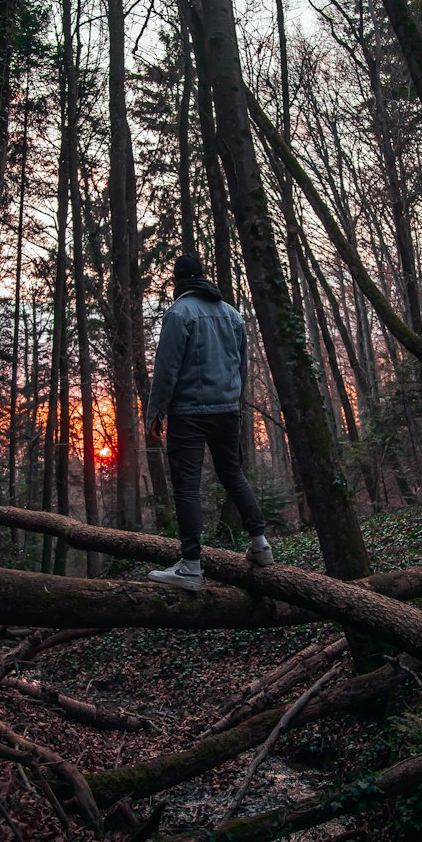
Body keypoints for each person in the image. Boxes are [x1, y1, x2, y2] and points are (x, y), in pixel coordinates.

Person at [145, 253, 274, 591]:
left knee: (187, 486)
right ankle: (260, 543)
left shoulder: (178, 314)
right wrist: (236, 403)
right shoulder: (232, 315)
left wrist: (156, 411)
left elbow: (167, 368)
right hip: (227, 410)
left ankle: (190, 566)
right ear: (202, 276)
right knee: (232, 473)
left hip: (189, 413)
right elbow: (241, 367)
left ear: (177, 281)